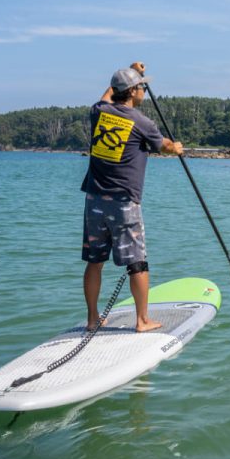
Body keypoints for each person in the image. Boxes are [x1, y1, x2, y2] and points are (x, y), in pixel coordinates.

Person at [81, 61, 183, 332]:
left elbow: (108, 94)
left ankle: (92, 319)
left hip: (94, 201)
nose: (144, 92)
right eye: (142, 87)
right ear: (134, 91)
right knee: (137, 262)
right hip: (124, 201)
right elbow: (165, 147)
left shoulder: (98, 112)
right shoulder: (142, 122)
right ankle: (142, 321)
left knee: (95, 262)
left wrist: (130, 70)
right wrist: (178, 148)